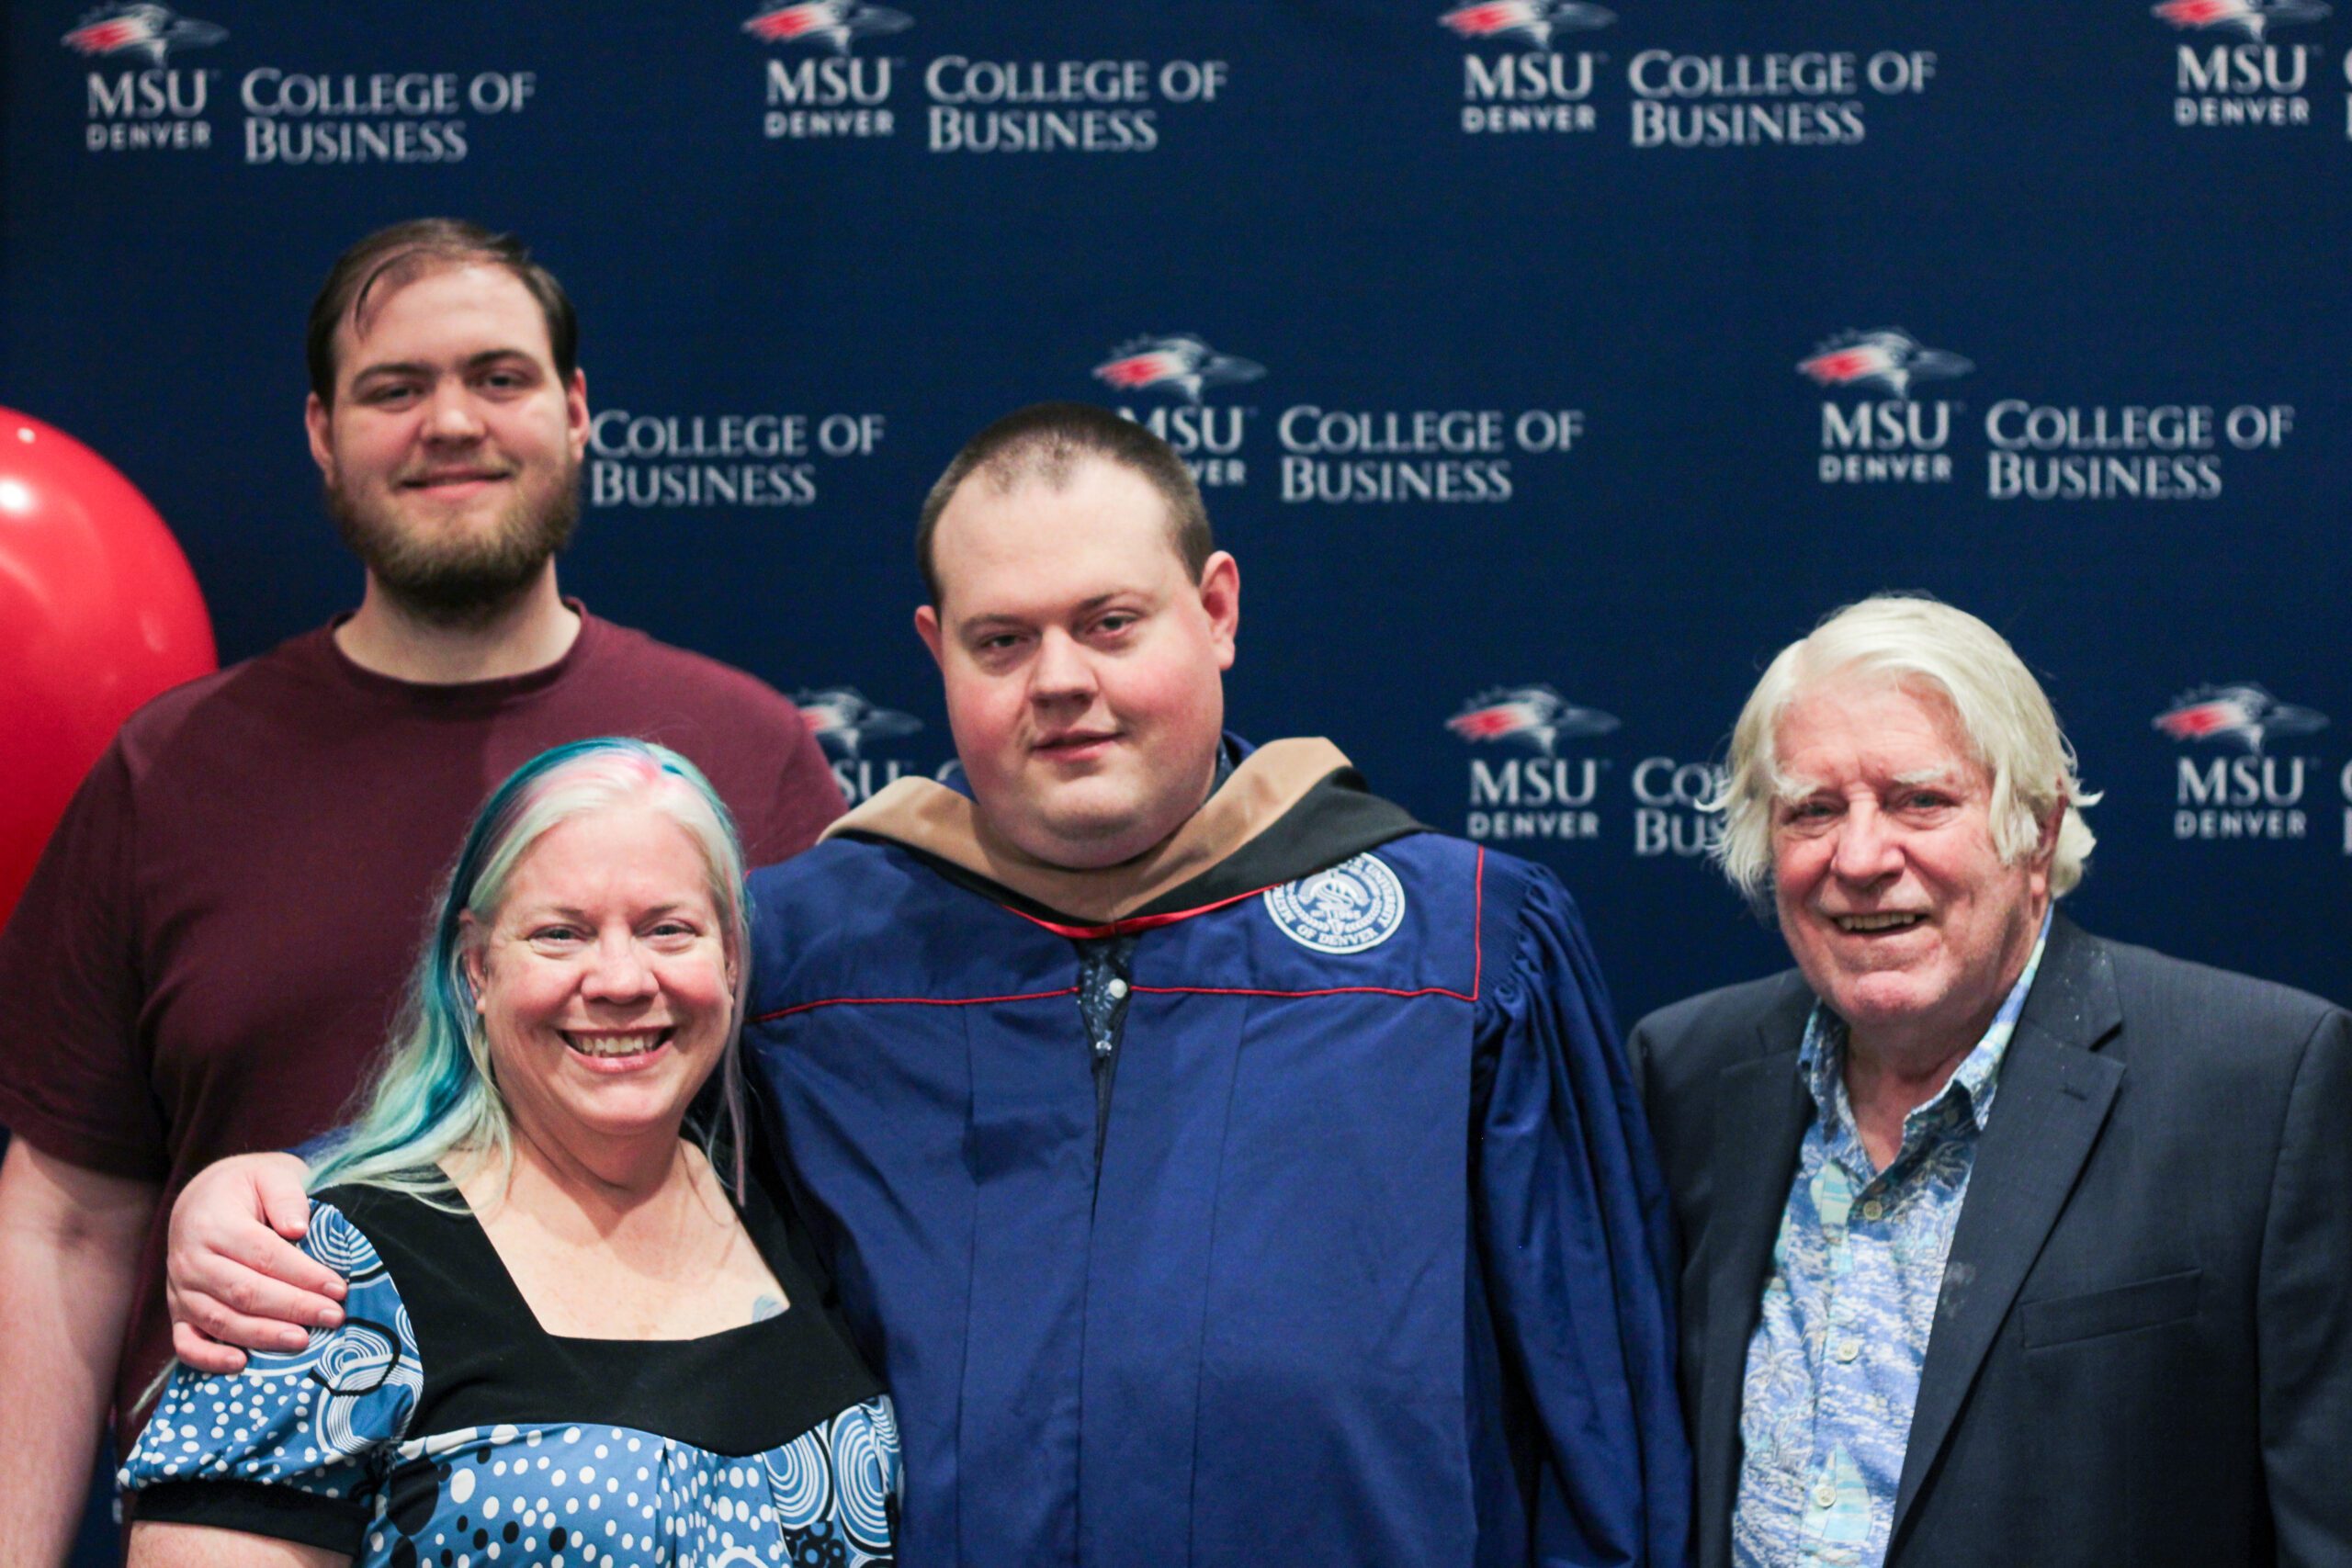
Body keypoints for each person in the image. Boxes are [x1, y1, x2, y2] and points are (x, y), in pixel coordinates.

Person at [165, 403, 1691, 1566]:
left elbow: (1598, 1425)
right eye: (1002, 639)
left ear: (1218, 607)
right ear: (934, 650)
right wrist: (270, 1193)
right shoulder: (806, 955)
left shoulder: (1460, 945)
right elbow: (553, 1152)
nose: (1062, 680)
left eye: (1111, 623)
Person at [0, 219, 842, 1563]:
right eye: (395, 388)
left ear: (576, 410)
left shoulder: (750, 756)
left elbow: (842, 1165)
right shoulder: (174, 773)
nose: (451, 422)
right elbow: (64, 1219)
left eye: (499, 377)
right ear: (323, 433)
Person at [1626, 595, 2351, 1568]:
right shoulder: (1685, 1073)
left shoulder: (2260, 1083)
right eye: (1813, 811)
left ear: (2038, 831)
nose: (1860, 858)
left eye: (1919, 801)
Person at [119, 739, 898, 1567]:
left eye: (669, 929)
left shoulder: (808, 1200)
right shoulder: (319, 1277)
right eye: (561, 933)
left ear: (732, 956)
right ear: (475, 969)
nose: (622, 979)